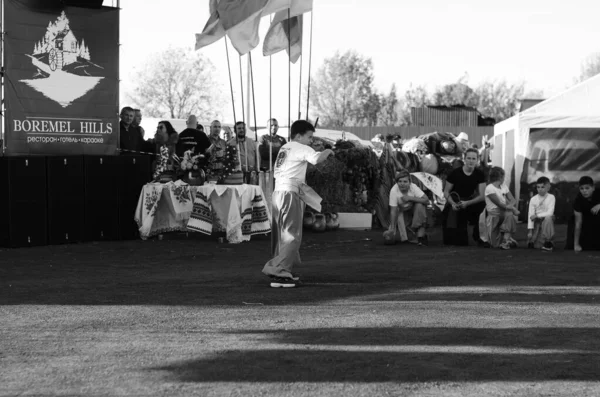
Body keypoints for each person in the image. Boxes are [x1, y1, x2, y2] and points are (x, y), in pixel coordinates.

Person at [262, 120, 334, 288]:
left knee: (283, 235)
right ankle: (279, 270)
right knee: (292, 234)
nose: (311, 141)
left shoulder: (284, 148)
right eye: (309, 137)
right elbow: (316, 159)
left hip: (278, 193)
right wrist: (328, 150)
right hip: (289, 193)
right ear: (299, 136)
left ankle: (283, 269)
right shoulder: (301, 147)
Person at [442, 148, 486, 246]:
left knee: (483, 206)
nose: (471, 161)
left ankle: (480, 236)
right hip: (455, 203)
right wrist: (452, 203)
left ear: (477, 160)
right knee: (460, 242)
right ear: (464, 159)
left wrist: (467, 203)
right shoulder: (455, 173)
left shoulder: (479, 174)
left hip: (469, 202)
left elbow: (482, 196)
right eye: (469, 158)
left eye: (473, 158)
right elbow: (446, 192)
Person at [387, 170, 429, 246]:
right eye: (400, 181)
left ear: (410, 182)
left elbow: (426, 200)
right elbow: (393, 211)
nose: (402, 184)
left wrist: (410, 198)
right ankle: (408, 233)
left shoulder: (413, 187)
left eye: (405, 181)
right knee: (401, 239)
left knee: (420, 205)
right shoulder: (394, 190)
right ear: (397, 182)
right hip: (401, 211)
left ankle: (420, 235)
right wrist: (392, 228)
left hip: (414, 211)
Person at [484, 167, 519, 249]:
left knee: (509, 214)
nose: (504, 178)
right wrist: (513, 209)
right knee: (495, 245)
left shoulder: (504, 186)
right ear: (500, 177)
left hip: (504, 212)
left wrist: (510, 207)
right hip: (494, 214)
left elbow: (513, 200)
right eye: (504, 176)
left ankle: (506, 240)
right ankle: (508, 239)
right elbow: (499, 204)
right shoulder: (489, 188)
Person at [527, 176, 556, 251]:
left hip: (546, 221)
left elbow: (550, 213)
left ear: (548, 187)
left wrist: (537, 216)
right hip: (537, 223)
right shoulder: (533, 199)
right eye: (538, 187)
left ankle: (548, 241)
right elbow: (530, 216)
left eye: (542, 187)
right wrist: (530, 231)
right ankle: (538, 240)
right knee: (536, 246)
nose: (540, 189)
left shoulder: (551, 197)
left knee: (548, 218)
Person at [573, 176, 600, 252]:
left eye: (587, 188)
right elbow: (578, 223)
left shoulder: (599, 192)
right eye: (582, 188)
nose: (584, 191)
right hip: (587, 224)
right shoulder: (578, 201)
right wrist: (576, 244)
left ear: (593, 188)